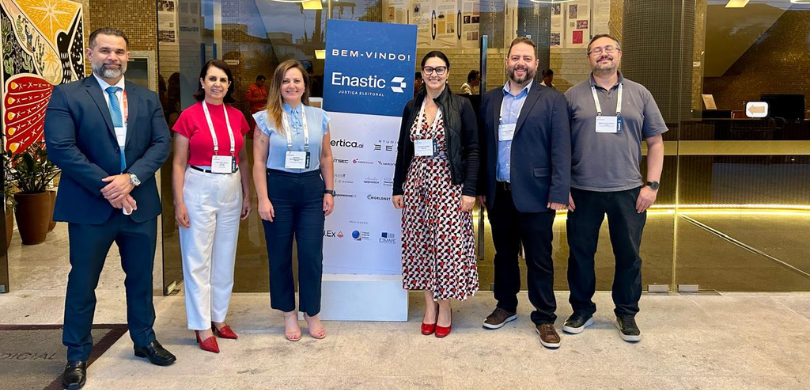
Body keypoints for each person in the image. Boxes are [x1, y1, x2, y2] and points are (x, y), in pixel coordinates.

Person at [44, 27, 175, 390]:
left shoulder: (146, 98)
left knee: (140, 278)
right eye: (104, 50)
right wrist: (110, 187)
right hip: (90, 208)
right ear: (89, 54)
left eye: (119, 51)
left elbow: (161, 144)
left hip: (139, 206)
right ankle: (76, 353)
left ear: (127, 57)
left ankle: (144, 339)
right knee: (83, 282)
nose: (112, 58)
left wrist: (130, 180)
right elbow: (61, 148)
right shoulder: (67, 95)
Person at [563, 34, 666, 342]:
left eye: (609, 49)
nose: (603, 54)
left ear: (619, 55)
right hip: (582, 190)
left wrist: (653, 185)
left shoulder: (640, 94)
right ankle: (582, 309)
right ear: (589, 58)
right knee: (580, 254)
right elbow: (560, 146)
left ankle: (626, 313)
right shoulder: (572, 96)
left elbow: (656, 142)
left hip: (629, 190)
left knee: (629, 255)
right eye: (597, 50)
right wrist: (562, 186)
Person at [477, 37, 571, 349]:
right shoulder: (490, 100)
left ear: (535, 64)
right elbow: (482, 148)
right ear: (507, 61)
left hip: (538, 194)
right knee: (504, 254)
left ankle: (544, 316)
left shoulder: (552, 100)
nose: (521, 63)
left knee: (539, 258)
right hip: (499, 193)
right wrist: (480, 188)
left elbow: (561, 148)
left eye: (527, 58)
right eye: (515, 57)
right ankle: (506, 305)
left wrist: (559, 190)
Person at [392, 51, 479, 338]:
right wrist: (397, 187)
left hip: (448, 185)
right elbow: (403, 150)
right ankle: (429, 305)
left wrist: (469, 190)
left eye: (439, 69)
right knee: (422, 247)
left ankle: (445, 306)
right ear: (422, 73)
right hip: (416, 185)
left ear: (448, 72)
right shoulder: (411, 107)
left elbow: (473, 150)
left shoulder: (461, 106)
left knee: (446, 248)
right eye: (429, 69)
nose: (434, 74)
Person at [171, 60, 252, 353]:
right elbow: (178, 164)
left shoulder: (237, 117)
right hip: (198, 187)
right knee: (197, 259)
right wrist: (179, 201)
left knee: (224, 257)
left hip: (230, 187)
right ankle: (201, 325)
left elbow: (242, 159)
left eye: (223, 80)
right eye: (212, 78)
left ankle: (219, 317)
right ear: (202, 82)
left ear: (229, 85)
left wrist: (247, 193)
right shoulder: (188, 117)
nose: (218, 84)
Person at [252, 59, 335, 341]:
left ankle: (311, 313)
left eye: (296, 80)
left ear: (304, 85)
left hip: (312, 189)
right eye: (286, 81)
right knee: (280, 256)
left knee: (312, 256)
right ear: (278, 86)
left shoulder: (319, 116)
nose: (291, 85)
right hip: (279, 189)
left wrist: (329, 191)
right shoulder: (265, 118)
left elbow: (325, 157)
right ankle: (288, 314)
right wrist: (263, 199)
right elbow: (258, 162)